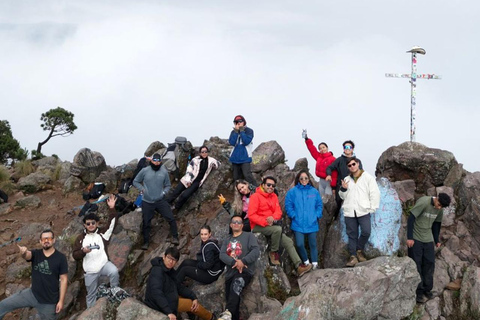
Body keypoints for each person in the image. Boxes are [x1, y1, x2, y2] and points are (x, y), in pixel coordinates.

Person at [248, 176, 312, 277]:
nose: (271, 187)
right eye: (268, 185)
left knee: (288, 241)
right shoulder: (255, 196)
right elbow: (251, 215)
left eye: (273, 186)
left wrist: (273, 218)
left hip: (271, 226)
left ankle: (298, 266)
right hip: (257, 226)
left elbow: (278, 212)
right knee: (277, 229)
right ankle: (273, 253)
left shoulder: (273, 196)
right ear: (263, 185)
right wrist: (265, 221)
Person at [0, 230, 68, 320]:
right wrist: (24, 252)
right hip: (32, 294)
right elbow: (28, 255)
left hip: (49, 302)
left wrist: (61, 301)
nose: (46, 240)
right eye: (43, 239)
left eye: (49, 238)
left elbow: (64, 280)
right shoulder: (36, 253)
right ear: (40, 241)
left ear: (54, 240)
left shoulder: (61, 258)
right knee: (3, 305)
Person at [72, 195, 120, 308]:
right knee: (91, 295)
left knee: (114, 271)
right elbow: (75, 255)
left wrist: (112, 208)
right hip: (90, 270)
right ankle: (91, 314)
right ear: (84, 225)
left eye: (93, 223)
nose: (91, 225)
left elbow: (112, 223)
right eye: (88, 224)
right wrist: (83, 251)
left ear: (97, 223)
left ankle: (115, 294)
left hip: (104, 264)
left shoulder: (103, 233)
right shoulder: (80, 238)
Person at [144, 247, 215, 320]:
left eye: (174, 260)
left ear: (176, 262)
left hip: (168, 296)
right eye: (169, 258)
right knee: (190, 304)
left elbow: (179, 287)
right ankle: (211, 318)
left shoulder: (170, 271)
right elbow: (156, 293)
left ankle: (193, 316)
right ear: (164, 257)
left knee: (190, 300)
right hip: (156, 304)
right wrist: (168, 312)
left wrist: (193, 297)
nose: (171, 261)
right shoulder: (157, 271)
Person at [407, 193, 451, 304]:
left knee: (429, 263)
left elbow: (436, 224)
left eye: (441, 207)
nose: (439, 207)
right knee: (417, 264)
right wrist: (410, 238)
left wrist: (436, 240)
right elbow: (411, 218)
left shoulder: (440, 209)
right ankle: (418, 293)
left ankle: (427, 289)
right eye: (439, 204)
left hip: (428, 239)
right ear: (436, 198)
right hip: (416, 238)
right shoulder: (424, 202)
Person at [339, 157, 380, 267]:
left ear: (358, 164)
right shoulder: (346, 179)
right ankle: (353, 257)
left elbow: (374, 193)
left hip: (363, 210)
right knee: (352, 235)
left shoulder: (368, 177)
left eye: (353, 164)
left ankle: (359, 250)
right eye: (349, 165)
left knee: (366, 231)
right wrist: (343, 189)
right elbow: (342, 196)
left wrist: (372, 208)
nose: (352, 167)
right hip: (350, 211)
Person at [133, 153, 179, 249]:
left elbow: (168, 185)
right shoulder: (145, 170)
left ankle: (175, 237)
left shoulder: (164, 171)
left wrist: (164, 193)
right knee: (146, 222)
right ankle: (146, 243)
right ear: (151, 160)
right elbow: (135, 181)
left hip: (160, 200)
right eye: (155, 161)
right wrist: (142, 189)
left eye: (158, 161)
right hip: (147, 201)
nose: (156, 163)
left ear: (160, 161)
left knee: (170, 217)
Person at [218, 215, 260, 320]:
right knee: (232, 302)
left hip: (244, 271)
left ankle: (227, 313)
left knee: (237, 283)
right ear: (231, 225)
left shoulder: (249, 236)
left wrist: (243, 261)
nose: (236, 223)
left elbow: (255, 251)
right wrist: (235, 262)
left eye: (239, 222)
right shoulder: (227, 239)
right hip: (230, 274)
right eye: (234, 222)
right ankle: (230, 315)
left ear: (242, 225)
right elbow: (222, 255)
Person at [285, 170, 323, 269]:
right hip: (298, 223)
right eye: (301, 178)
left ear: (309, 179)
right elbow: (288, 205)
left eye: (306, 178)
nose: (304, 180)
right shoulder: (293, 191)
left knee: (313, 244)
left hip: (312, 223)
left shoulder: (314, 191)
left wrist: (316, 216)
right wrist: (293, 215)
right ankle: (306, 262)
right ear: (298, 179)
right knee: (299, 244)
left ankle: (315, 264)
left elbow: (319, 205)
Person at [167, 146, 219, 211]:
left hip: (197, 182)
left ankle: (176, 207)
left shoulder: (210, 160)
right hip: (187, 179)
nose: (204, 153)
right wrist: (188, 181)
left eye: (206, 152)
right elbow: (189, 170)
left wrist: (214, 165)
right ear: (200, 153)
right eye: (202, 152)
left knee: (185, 195)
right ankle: (167, 204)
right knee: (176, 192)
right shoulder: (195, 160)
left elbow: (217, 164)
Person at [326, 140, 363, 211]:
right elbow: (329, 167)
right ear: (343, 149)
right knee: (338, 206)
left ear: (353, 149)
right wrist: (329, 174)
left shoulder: (357, 161)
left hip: (353, 187)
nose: (347, 148)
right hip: (340, 186)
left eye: (349, 147)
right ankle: (335, 220)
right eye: (345, 147)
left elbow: (361, 173)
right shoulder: (339, 160)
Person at [228, 115, 256, 186]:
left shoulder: (249, 131)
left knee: (247, 176)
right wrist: (236, 131)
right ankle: (239, 195)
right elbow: (232, 142)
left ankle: (257, 191)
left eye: (240, 121)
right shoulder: (233, 132)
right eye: (236, 122)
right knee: (236, 178)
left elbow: (246, 141)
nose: (238, 123)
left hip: (245, 158)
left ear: (244, 122)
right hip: (235, 158)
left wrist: (242, 131)